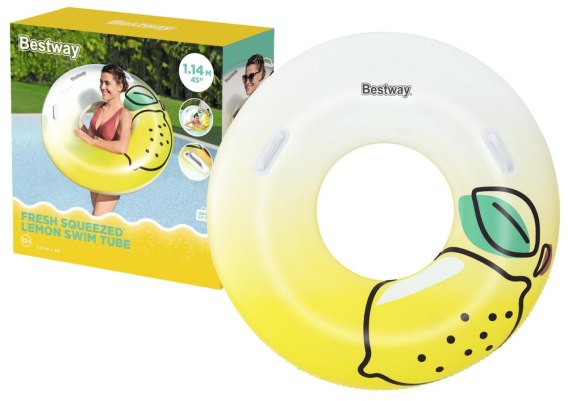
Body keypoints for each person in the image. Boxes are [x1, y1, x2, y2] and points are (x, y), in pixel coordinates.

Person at [74, 64, 132, 216]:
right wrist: (76, 121)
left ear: (119, 87)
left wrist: (93, 141)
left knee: (97, 219)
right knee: (98, 221)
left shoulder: (124, 115)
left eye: (107, 83)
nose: (102, 87)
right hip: (97, 169)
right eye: (101, 82)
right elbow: (90, 137)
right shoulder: (98, 108)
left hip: (113, 174)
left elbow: (122, 147)